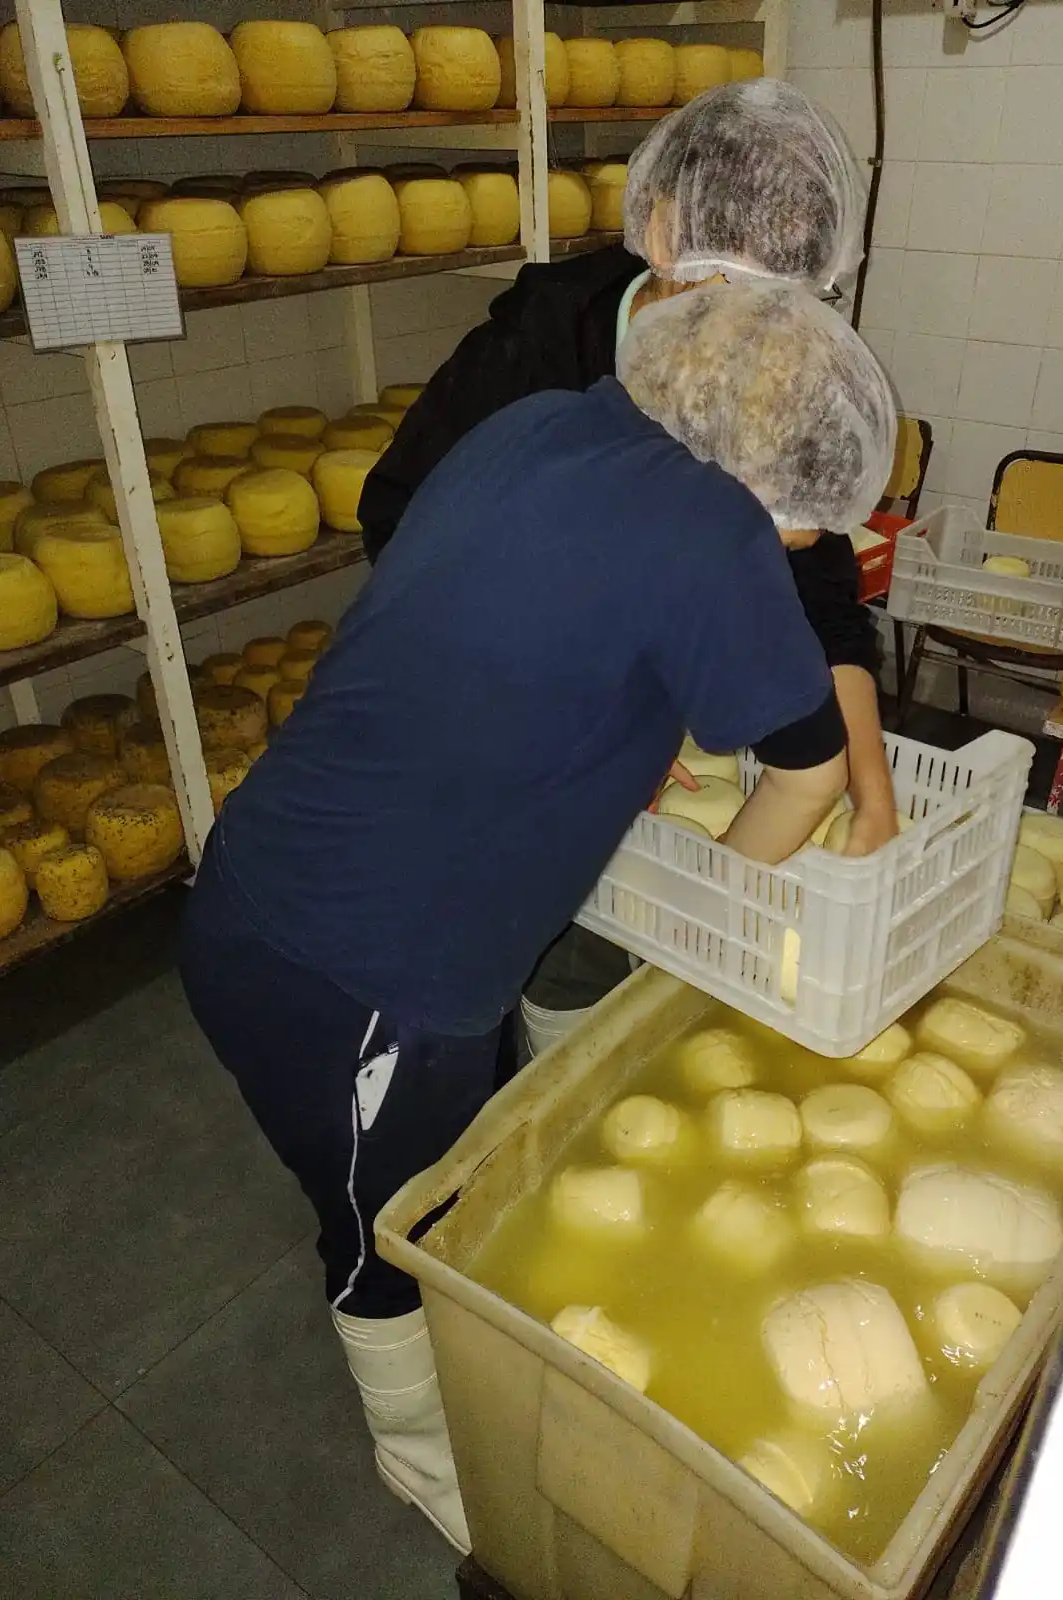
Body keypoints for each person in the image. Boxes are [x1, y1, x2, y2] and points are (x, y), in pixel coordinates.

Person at [179, 281, 896, 1555]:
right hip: (353, 974)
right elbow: (811, 770)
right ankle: (428, 1463)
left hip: (268, 878)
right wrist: (700, 934)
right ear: (779, 473)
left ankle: (467, 1368)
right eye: (809, 523)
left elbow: (525, 630)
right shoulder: (715, 529)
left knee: (461, 1162)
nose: (801, 546)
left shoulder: (542, 423)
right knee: (393, 1230)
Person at [357, 80, 895, 1046]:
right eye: (720, 284)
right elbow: (401, 518)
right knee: (479, 977)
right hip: (489, 728)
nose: (743, 329)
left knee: (595, 969)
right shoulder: (542, 349)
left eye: (777, 303)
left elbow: (821, 599)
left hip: (630, 776)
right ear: (657, 226)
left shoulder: (778, 361)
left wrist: (874, 795)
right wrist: (586, 697)